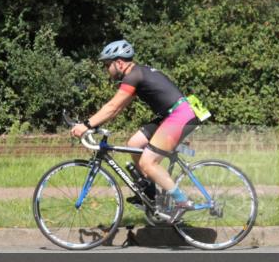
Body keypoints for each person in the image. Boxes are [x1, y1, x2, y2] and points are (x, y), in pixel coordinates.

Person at [70, 39, 200, 223]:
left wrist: (86, 125)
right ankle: (151, 194)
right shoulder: (139, 73)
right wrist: (94, 124)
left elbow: (113, 107)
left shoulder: (134, 75)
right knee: (134, 144)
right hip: (175, 114)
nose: (107, 70)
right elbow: (117, 108)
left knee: (148, 163)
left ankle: (182, 202)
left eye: (108, 65)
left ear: (119, 62)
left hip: (180, 115)